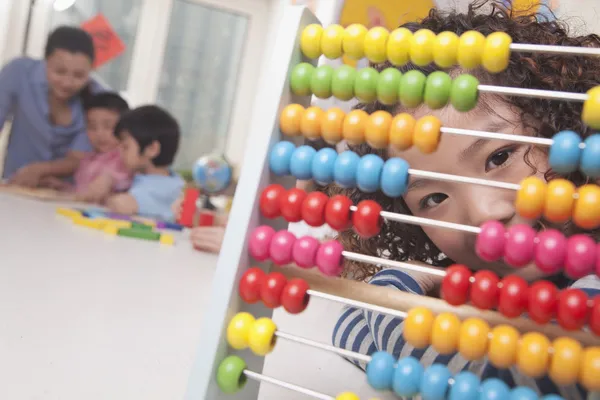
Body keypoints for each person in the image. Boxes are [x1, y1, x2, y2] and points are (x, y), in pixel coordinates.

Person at [330, 1, 600, 397]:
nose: (482, 215)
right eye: (435, 197)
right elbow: (349, 325)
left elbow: (509, 380)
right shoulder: (487, 292)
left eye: (500, 157)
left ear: (565, 126)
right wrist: (404, 284)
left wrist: (401, 288)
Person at [0, 26, 102, 186]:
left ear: (91, 70)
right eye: (60, 72)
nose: (67, 83)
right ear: (46, 61)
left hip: (65, 191)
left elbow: (80, 157)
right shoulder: (19, 72)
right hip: (15, 183)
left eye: (79, 75)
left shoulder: (98, 98)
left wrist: (38, 170)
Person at [106, 105, 184, 221]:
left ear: (151, 149)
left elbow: (124, 204)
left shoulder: (164, 189)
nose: (119, 152)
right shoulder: (171, 180)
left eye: (126, 147)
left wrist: (111, 199)